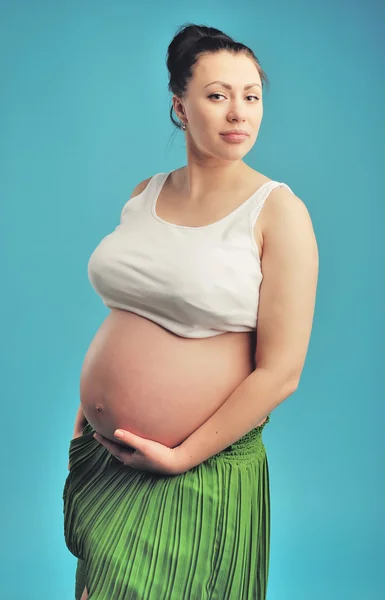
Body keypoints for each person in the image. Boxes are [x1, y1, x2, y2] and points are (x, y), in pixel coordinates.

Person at [63, 22, 319, 600]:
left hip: (199, 468)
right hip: (110, 457)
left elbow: (280, 372)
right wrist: (87, 411)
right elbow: (133, 312)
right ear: (180, 106)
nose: (239, 113)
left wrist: (179, 458)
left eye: (251, 96)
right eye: (217, 95)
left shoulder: (278, 212)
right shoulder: (144, 193)